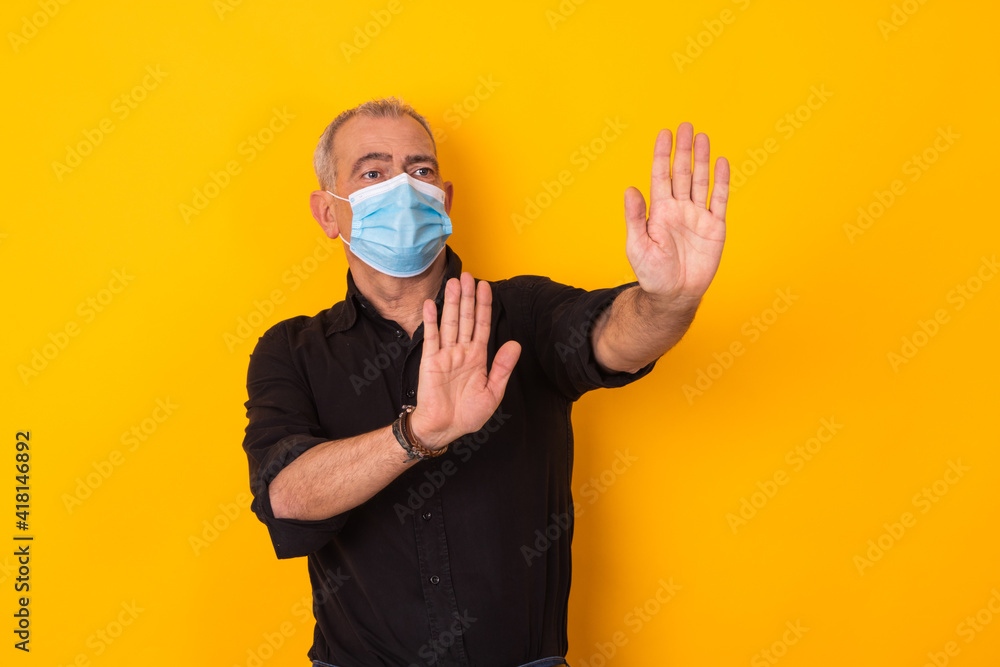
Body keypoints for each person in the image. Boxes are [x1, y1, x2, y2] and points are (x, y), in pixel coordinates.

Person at [241, 97, 729, 667]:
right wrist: (417, 432)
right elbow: (288, 498)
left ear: (444, 201)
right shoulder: (292, 350)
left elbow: (616, 340)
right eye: (372, 172)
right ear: (329, 212)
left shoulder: (521, 312)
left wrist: (670, 298)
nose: (402, 186)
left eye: (420, 170)